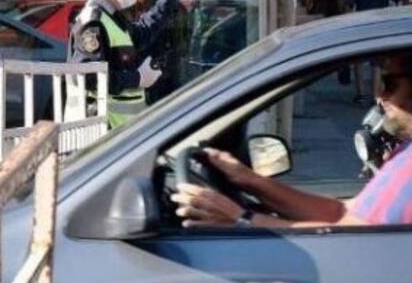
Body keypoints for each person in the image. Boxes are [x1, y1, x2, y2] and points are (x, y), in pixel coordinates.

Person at [173, 53, 412, 228]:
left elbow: (351, 238)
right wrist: (251, 180)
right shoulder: (404, 152)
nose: (380, 97)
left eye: (390, 85)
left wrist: (240, 219)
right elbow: (341, 212)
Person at [67, 0, 185, 127]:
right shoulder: (93, 21)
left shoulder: (114, 17)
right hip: (101, 129)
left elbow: (144, 30)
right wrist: (138, 78)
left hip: (122, 128)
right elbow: (89, 77)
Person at [345, 0, 405, 102]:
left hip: (362, 27)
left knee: (359, 61)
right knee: (377, 63)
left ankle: (360, 94)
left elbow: (349, 6)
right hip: (380, 28)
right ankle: (375, 96)